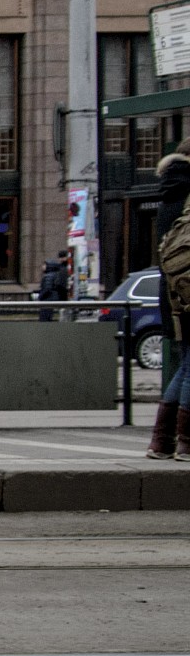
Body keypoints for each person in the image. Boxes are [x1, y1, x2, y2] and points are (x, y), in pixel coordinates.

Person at [150, 149, 190, 459]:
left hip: (174, 297)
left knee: (186, 366)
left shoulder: (167, 196)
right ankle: (185, 443)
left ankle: (161, 441)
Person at [34, 254, 69, 322]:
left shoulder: (48, 276)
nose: (42, 266)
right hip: (52, 300)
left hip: (48, 300)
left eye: (44, 265)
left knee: (45, 318)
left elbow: (47, 288)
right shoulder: (55, 274)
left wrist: (40, 296)